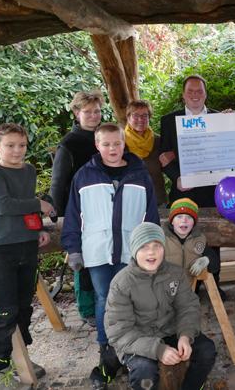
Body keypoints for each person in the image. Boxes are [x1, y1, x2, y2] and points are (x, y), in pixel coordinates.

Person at [61, 123, 159, 388]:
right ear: (97, 145)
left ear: (123, 143)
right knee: (105, 299)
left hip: (131, 250)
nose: (112, 149)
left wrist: (151, 246)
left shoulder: (139, 174)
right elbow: (73, 215)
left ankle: (132, 348)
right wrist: (73, 248)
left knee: (131, 298)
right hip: (98, 251)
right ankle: (107, 350)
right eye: (106, 144)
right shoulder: (84, 176)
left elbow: (150, 216)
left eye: (117, 143)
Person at [0, 123, 54, 389]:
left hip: (26, 244)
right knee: (4, 309)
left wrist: (40, 227)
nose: (17, 151)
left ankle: (21, 358)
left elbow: (25, 203)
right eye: (10, 145)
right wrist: (40, 205)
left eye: (21, 145)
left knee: (23, 306)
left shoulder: (29, 170)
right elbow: (4, 205)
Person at [105, 222, 217, 390]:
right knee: (144, 372)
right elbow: (119, 331)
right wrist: (158, 350)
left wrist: (186, 335)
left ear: (164, 248)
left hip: (169, 331)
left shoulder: (176, 273)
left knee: (206, 350)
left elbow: (188, 307)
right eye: (143, 247)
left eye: (157, 245)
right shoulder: (121, 283)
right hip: (138, 339)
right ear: (134, 251)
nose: (151, 252)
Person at [158, 74, 225, 300]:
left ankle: (215, 284)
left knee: (212, 236)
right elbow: (164, 155)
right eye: (190, 92)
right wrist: (176, 178)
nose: (195, 95)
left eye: (199, 91)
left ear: (206, 94)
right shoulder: (169, 120)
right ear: (183, 95)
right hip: (183, 190)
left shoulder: (219, 118)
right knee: (182, 237)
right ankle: (188, 288)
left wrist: (233, 124)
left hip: (212, 191)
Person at [50, 90, 103, 328]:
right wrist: (60, 217)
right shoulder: (69, 143)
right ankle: (87, 308)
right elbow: (58, 182)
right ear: (76, 113)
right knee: (83, 261)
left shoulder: (105, 136)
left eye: (97, 111)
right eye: (88, 112)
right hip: (78, 211)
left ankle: (105, 303)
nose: (93, 116)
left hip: (104, 208)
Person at [124, 100, 168, 206]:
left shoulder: (158, 141)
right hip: (129, 201)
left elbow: (168, 166)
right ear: (128, 117)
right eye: (135, 115)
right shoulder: (119, 141)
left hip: (157, 199)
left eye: (145, 115)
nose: (140, 119)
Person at [164, 198, 210, 286]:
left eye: (189, 217)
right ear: (172, 221)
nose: (184, 220)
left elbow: (214, 261)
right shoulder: (162, 238)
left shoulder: (199, 238)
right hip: (165, 290)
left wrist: (206, 260)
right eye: (179, 216)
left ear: (194, 223)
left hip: (189, 290)